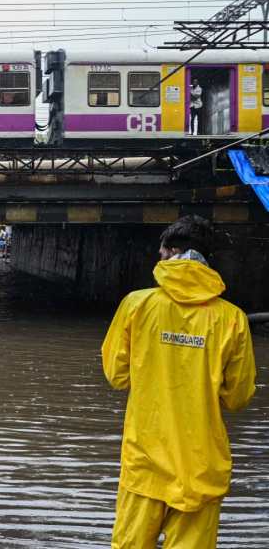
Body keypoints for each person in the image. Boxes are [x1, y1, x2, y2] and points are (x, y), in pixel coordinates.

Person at [102, 215, 255, 549]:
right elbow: (238, 397)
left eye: (161, 252)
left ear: (171, 252)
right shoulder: (232, 319)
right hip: (201, 467)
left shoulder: (136, 305)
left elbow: (117, 375)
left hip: (144, 463)